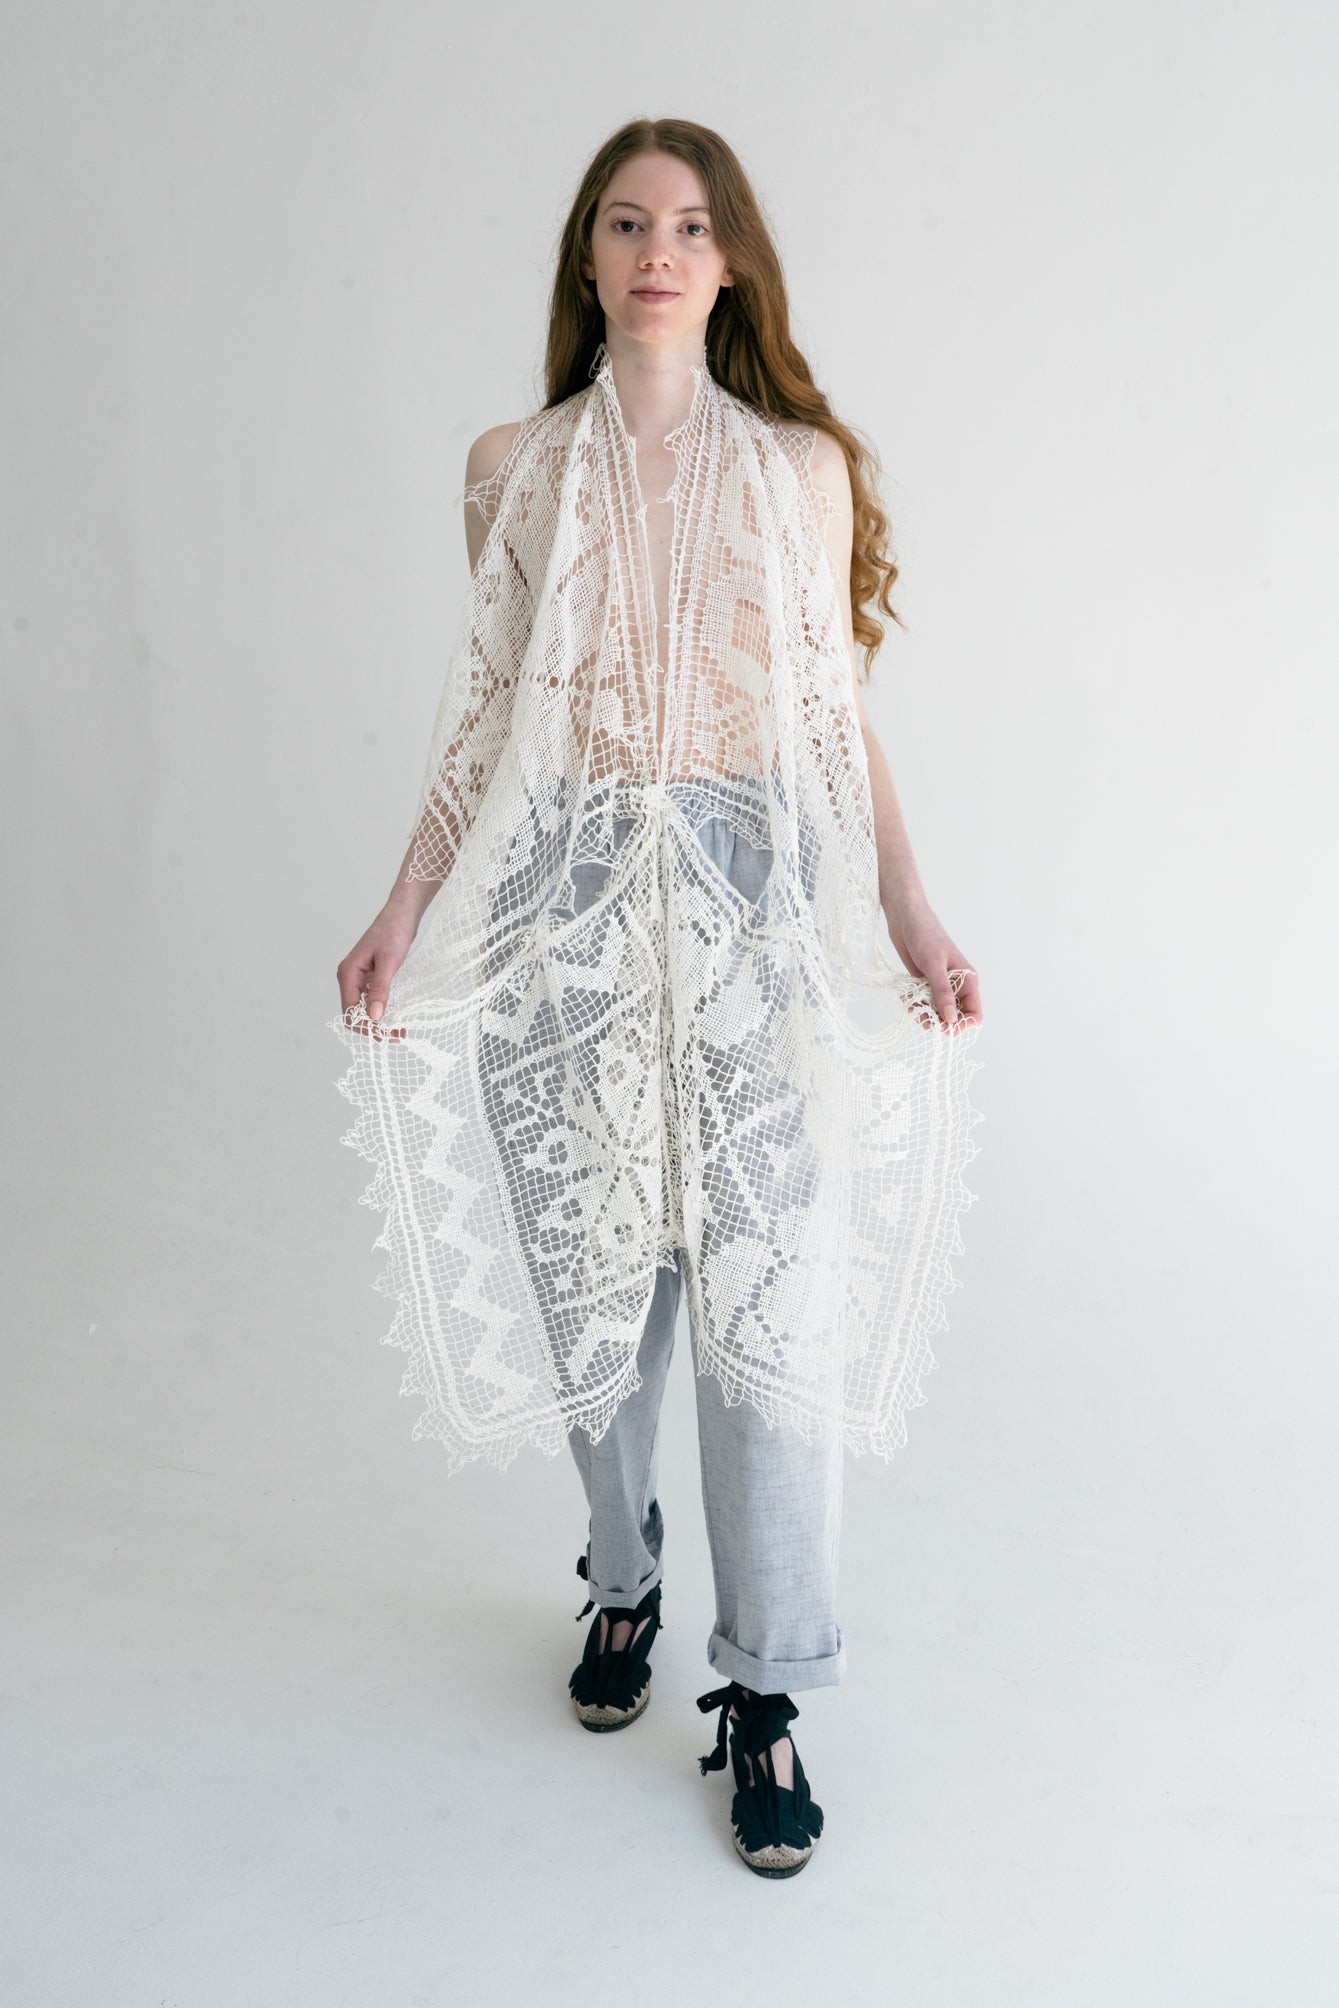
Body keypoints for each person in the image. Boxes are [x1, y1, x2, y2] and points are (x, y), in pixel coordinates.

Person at [332, 118, 984, 1879]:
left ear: (732, 262)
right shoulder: (510, 469)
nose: (657, 249)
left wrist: (913, 914)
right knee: (594, 1302)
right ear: (589, 256)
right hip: (571, 909)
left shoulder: (797, 474)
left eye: (690, 226)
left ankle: (765, 1689)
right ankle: (622, 1583)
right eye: (626, 222)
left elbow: (833, 722)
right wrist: (403, 907)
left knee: (770, 1311)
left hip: (755, 899)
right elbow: (485, 714)